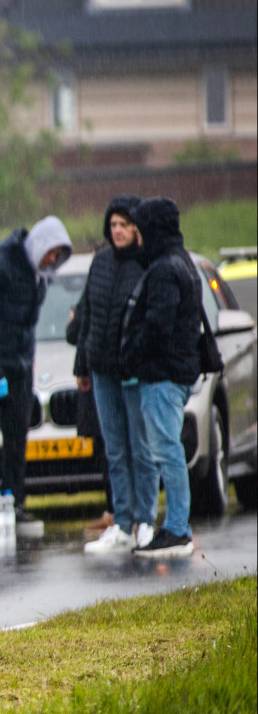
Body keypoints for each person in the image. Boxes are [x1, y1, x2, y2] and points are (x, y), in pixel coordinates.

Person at [0, 213, 73, 535]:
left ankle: (17, 502)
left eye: (58, 256)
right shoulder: (1, 263)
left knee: (17, 438)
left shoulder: (38, 273)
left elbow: (27, 323)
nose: (53, 260)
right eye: (51, 253)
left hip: (21, 365)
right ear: (40, 245)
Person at [120, 197, 205, 558]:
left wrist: (132, 353)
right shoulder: (180, 263)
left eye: (139, 230)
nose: (136, 238)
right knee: (167, 449)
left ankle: (176, 528)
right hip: (175, 371)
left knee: (166, 450)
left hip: (163, 374)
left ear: (151, 229)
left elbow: (158, 324)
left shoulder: (165, 269)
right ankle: (175, 525)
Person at [74, 196, 156, 555]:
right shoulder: (101, 262)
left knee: (141, 448)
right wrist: (82, 364)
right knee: (115, 449)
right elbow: (88, 316)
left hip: (134, 371)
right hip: (102, 368)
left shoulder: (146, 261)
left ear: (136, 227)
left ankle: (146, 520)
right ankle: (122, 522)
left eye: (124, 224)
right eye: (113, 226)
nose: (118, 231)